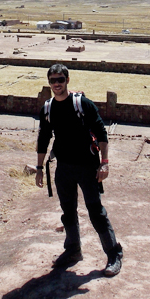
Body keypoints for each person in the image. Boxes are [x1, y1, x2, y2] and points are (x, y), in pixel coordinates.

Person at [35, 64, 123, 277]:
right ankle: (73, 250)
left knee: (95, 211)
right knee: (68, 211)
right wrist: (39, 167)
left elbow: (101, 133)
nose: (57, 84)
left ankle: (114, 253)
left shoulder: (82, 104)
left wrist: (105, 163)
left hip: (87, 167)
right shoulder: (48, 108)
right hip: (64, 168)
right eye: (53, 80)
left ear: (67, 80)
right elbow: (43, 138)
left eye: (60, 80)